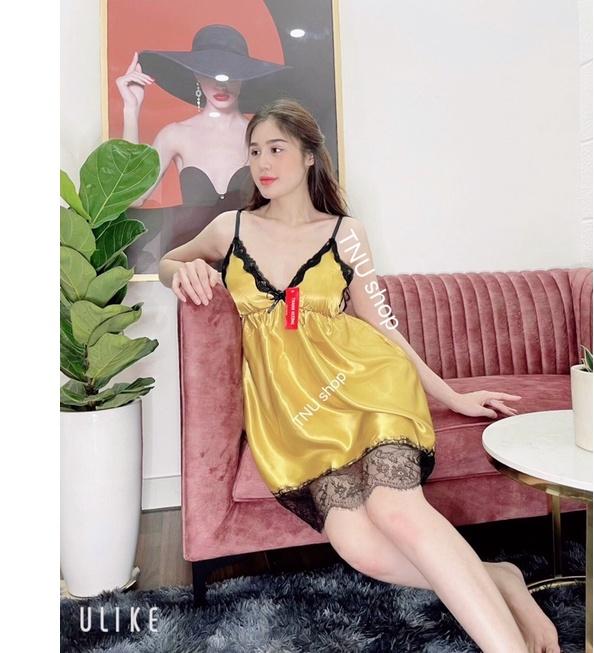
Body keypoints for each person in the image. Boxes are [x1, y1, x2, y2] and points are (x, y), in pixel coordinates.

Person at [158, 99, 560, 653]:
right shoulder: (231, 228)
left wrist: (452, 395)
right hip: (296, 413)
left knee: (396, 508)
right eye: (254, 152)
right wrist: (182, 271)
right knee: (359, 547)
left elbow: (383, 327)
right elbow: (168, 261)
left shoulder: (347, 234)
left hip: (366, 381)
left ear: (309, 156)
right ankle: (500, 578)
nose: (263, 163)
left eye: (276, 149)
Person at [116, 24, 289, 272]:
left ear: (244, 78)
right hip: (190, 273)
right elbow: (134, 196)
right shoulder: (176, 134)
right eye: (209, 73)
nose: (221, 84)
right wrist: (131, 110)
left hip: (254, 271)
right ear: (196, 76)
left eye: (231, 74)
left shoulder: (262, 137)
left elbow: (286, 206)